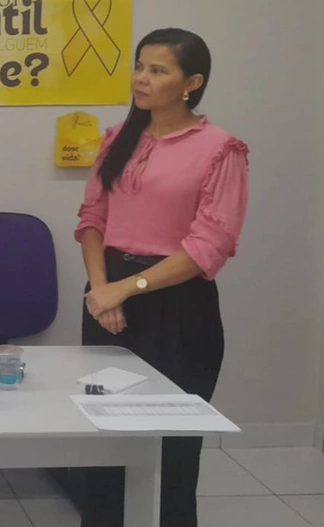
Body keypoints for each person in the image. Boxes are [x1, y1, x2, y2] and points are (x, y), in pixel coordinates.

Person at [76, 28, 249, 527]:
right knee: (104, 445)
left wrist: (125, 289)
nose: (142, 79)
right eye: (139, 67)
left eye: (158, 70)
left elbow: (208, 247)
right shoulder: (118, 139)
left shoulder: (221, 149)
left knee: (170, 454)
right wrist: (101, 289)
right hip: (107, 304)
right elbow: (92, 220)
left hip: (177, 308)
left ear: (192, 82)